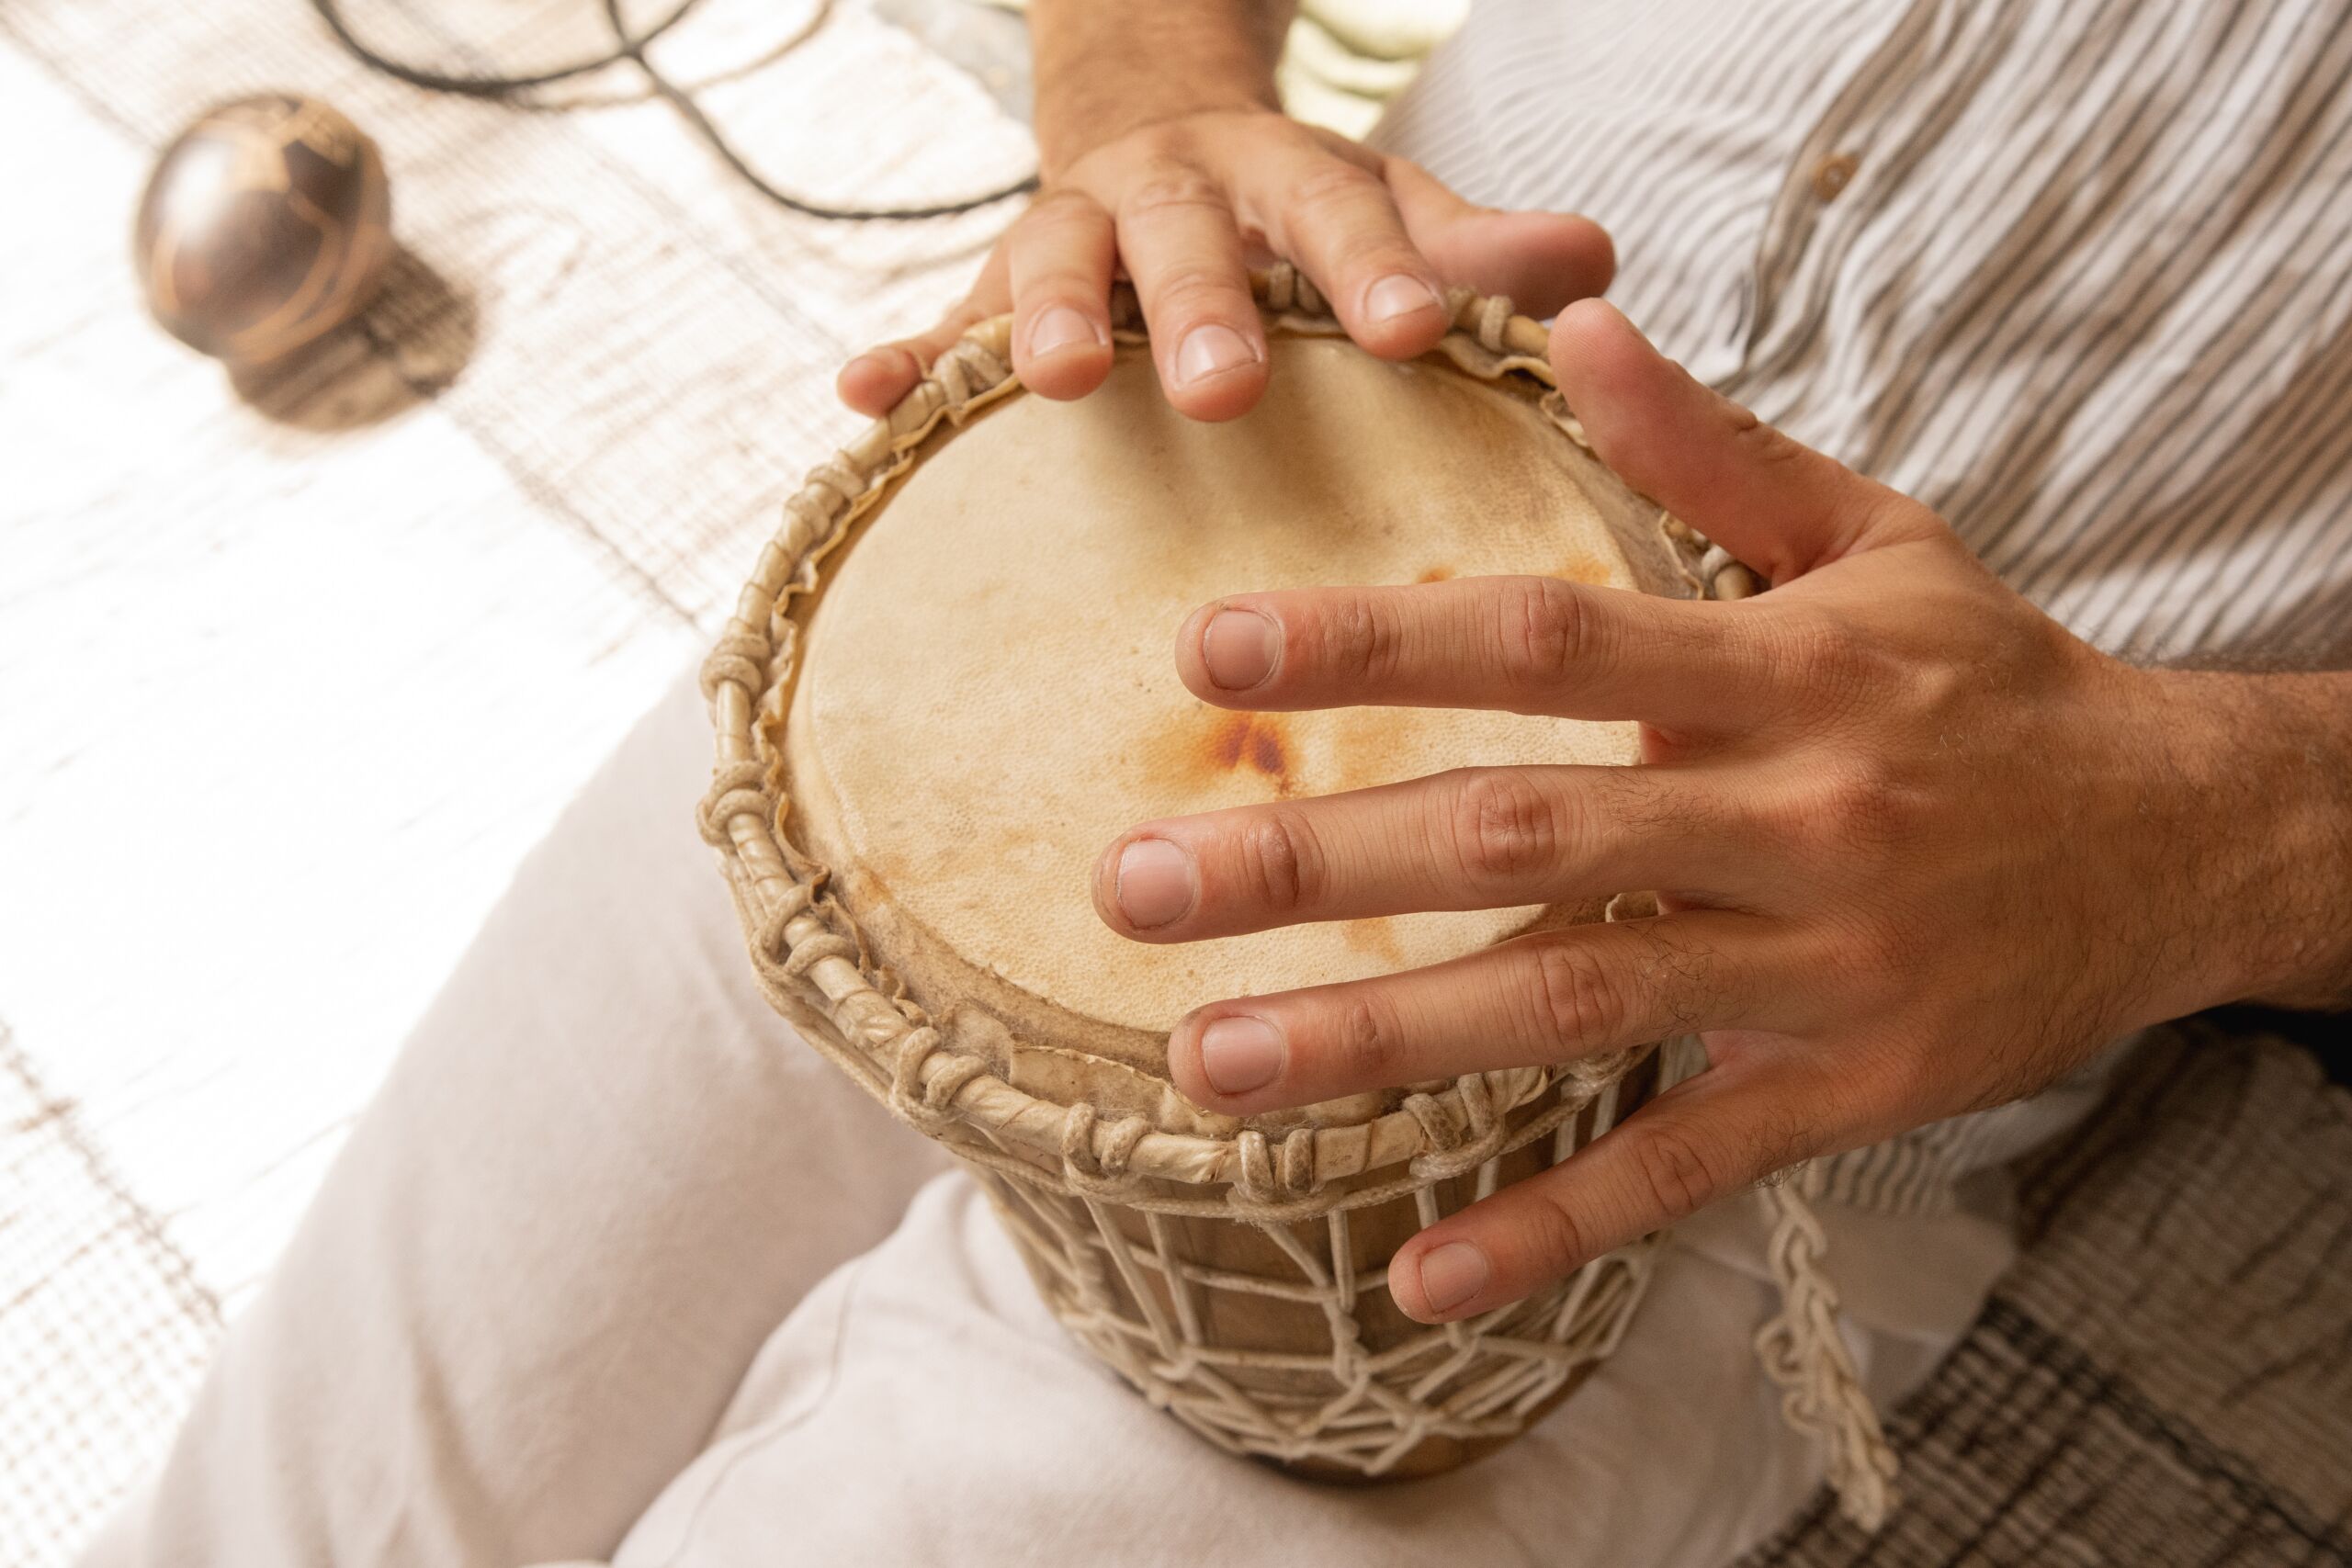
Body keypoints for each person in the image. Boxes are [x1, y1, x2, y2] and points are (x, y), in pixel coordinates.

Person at [85, 2, 2352, 1564]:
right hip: (1097, 556)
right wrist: (1140, 103)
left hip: (1797, 1045)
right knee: (300, 1511)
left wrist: (2203, 826)